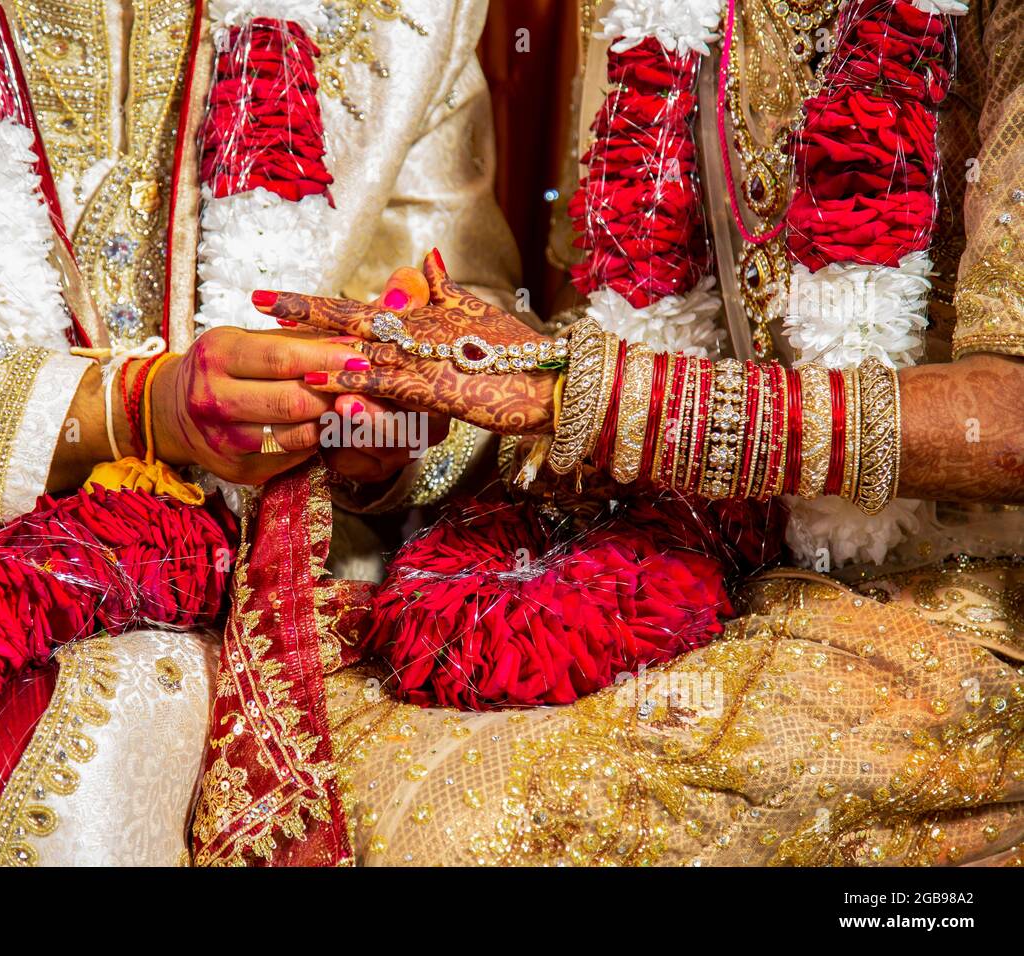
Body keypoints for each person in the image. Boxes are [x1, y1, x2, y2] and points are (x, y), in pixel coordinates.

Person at [0, 0, 517, 865]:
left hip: (280, 560)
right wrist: (132, 405)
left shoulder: (411, 16)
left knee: (100, 763)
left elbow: (487, 363)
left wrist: (390, 437)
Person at [238, 0, 1024, 865]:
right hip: (727, 555)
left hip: (961, 597)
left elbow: (1013, 421)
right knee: (332, 743)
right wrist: (404, 440)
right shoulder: (658, 16)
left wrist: (597, 394)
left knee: (481, 825)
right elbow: (606, 358)